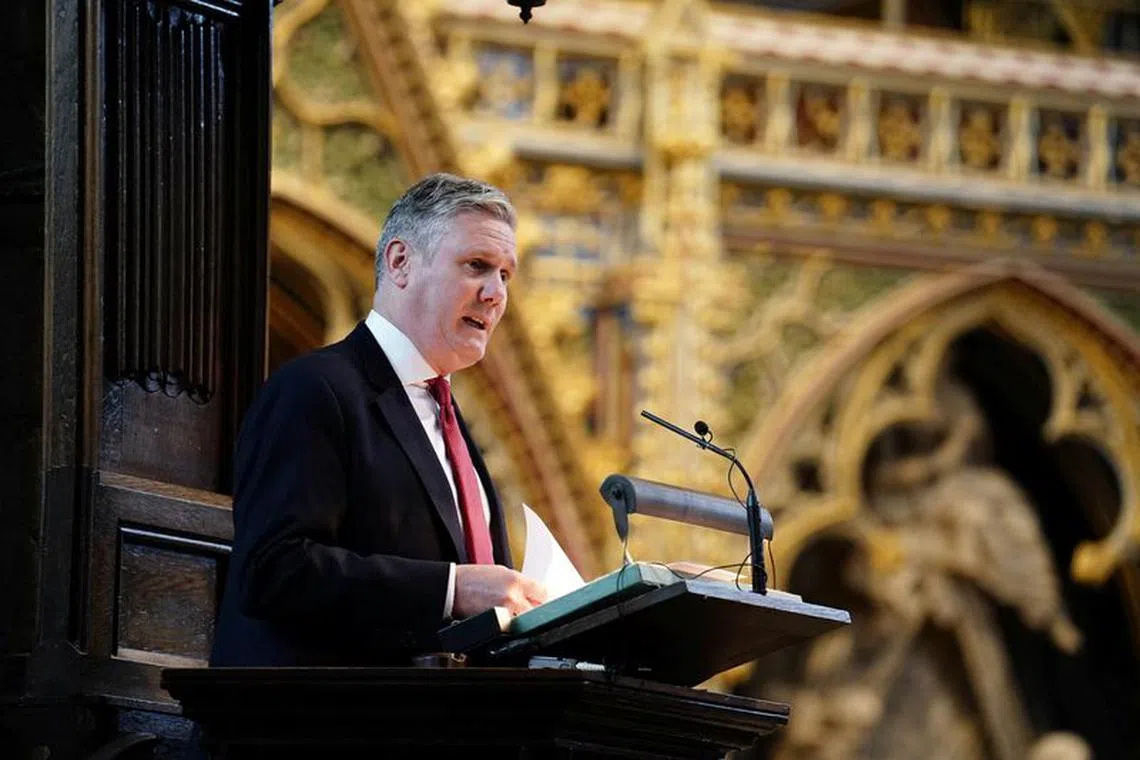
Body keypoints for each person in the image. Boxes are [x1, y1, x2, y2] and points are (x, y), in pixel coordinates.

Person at [210, 173, 548, 666]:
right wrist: (451, 589)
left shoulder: (453, 424)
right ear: (400, 262)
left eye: (505, 276)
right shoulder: (316, 389)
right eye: (477, 265)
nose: (495, 294)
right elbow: (274, 569)